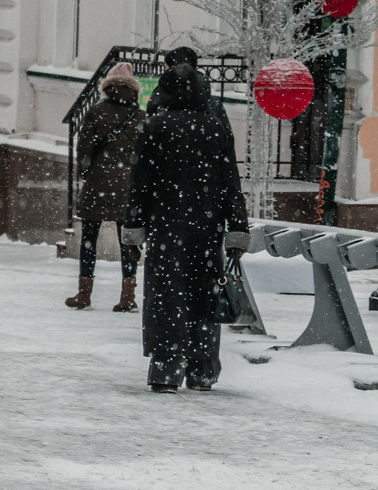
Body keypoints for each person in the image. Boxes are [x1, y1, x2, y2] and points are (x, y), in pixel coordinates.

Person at [123, 48, 248, 393]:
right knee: (204, 294)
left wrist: (133, 228)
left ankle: (166, 366)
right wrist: (237, 229)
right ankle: (203, 367)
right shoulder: (215, 128)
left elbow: (141, 182)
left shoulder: (156, 126)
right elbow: (229, 182)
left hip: (166, 226)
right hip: (207, 229)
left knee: (167, 295)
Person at [68, 62, 144, 312]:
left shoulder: (95, 113)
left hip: (97, 185)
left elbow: (84, 152)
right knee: (128, 242)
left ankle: (84, 293)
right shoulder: (141, 117)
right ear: (134, 89)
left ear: (107, 87)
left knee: (89, 238)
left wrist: (89, 174)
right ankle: (127, 296)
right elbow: (144, 156)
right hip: (128, 188)